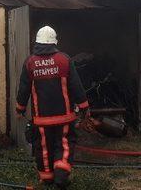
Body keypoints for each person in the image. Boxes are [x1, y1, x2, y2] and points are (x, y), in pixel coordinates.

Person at [16, 26, 89, 188]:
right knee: (64, 143)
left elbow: (23, 89)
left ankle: (47, 178)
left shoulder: (30, 63)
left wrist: (19, 109)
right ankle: (61, 175)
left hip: (41, 120)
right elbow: (76, 86)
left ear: (37, 42)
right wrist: (84, 107)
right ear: (54, 42)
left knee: (43, 148)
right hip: (64, 118)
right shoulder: (64, 60)